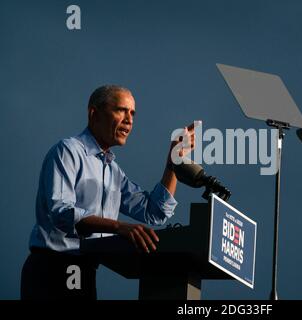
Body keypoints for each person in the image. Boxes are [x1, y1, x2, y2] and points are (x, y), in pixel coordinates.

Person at [20, 85, 195, 300]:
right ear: (94, 114)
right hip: (54, 265)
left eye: (132, 113)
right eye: (121, 110)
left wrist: (174, 162)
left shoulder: (113, 171)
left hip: (84, 269)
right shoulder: (68, 151)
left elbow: (155, 211)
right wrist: (119, 227)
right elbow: (62, 213)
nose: (129, 120)